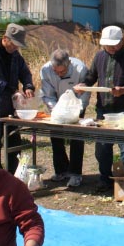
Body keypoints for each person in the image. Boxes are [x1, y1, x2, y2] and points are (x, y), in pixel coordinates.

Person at [81, 25, 124, 190]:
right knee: (102, 146)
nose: (110, 48)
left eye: (113, 45)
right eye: (107, 45)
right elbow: (91, 76)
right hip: (104, 108)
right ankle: (104, 178)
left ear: (122, 41)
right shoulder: (99, 56)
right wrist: (84, 84)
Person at [0, 23, 35, 173]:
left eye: (18, 45)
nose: (16, 48)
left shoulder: (16, 56)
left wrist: (28, 85)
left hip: (11, 107)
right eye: (14, 44)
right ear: (5, 39)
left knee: (14, 142)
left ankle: (14, 174)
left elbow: (25, 72)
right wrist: (11, 89)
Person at [40, 49, 90, 187]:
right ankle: (61, 170)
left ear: (69, 64)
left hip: (76, 105)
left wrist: (77, 111)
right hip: (57, 106)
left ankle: (75, 173)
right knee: (55, 135)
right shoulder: (45, 70)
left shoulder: (80, 68)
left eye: (62, 72)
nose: (59, 74)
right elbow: (48, 94)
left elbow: (85, 93)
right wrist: (56, 110)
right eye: (56, 71)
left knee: (77, 137)